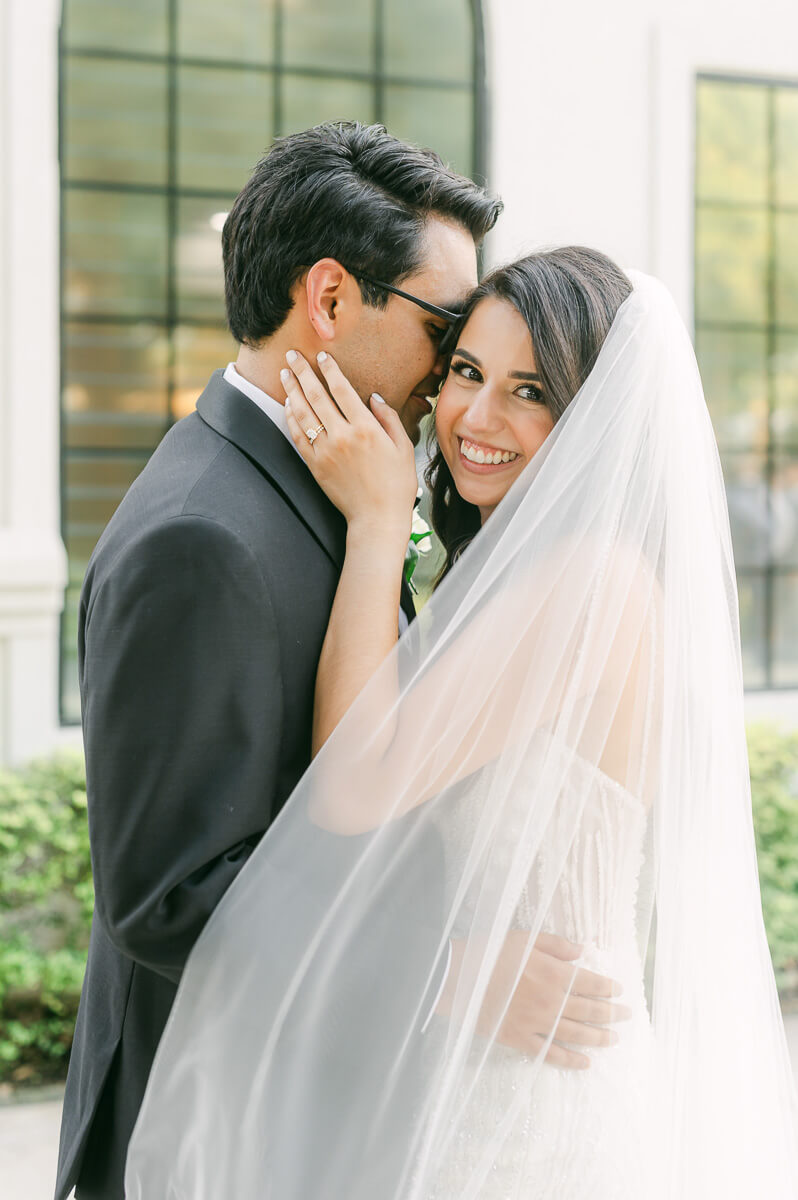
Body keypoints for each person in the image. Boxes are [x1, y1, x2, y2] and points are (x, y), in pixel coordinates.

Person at [125, 249, 798, 1198]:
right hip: (477, 1066)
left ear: (594, 417)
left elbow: (356, 781)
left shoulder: (587, 579)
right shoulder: (527, 564)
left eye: (530, 391)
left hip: (533, 1103)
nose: (477, 418)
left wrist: (375, 521)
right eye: (468, 373)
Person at [55, 127, 626, 1200]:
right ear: (329, 299)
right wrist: (450, 971)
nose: (455, 391)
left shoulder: (330, 480)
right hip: (214, 1122)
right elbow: (168, 895)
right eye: (448, 334)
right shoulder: (206, 533)